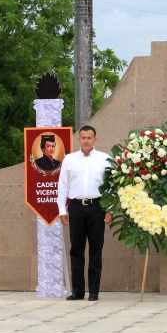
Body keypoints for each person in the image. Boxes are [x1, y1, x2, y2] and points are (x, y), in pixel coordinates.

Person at [57, 125, 112, 301]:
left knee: (96, 250)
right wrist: (62, 210)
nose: (86, 141)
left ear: (95, 139)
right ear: (78, 139)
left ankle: (94, 291)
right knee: (76, 250)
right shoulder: (70, 160)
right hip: (76, 208)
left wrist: (110, 209)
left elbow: (110, 186)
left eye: (89, 137)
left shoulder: (105, 159)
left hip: (97, 208)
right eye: (83, 138)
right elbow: (62, 185)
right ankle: (77, 291)